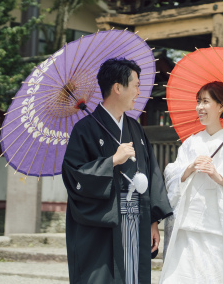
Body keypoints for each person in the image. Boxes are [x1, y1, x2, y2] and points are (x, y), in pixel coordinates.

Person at [62, 58, 172, 284]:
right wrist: (111, 161)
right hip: (103, 223)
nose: (139, 92)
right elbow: (74, 176)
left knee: (133, 274)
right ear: (118, 88)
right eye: (136, 85)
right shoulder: (84, 129)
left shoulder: (134, 128)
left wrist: (153, 220)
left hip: (137, 219)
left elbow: (151, 173)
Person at [159, 81, 223, 284]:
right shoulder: (192, 142)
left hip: (217, 233)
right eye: (198, 101)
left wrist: (219, 177)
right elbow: (171, 174)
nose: (200, 107)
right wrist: (189, 168)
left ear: (222, 106)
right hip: (187, 231)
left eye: (205, 102)